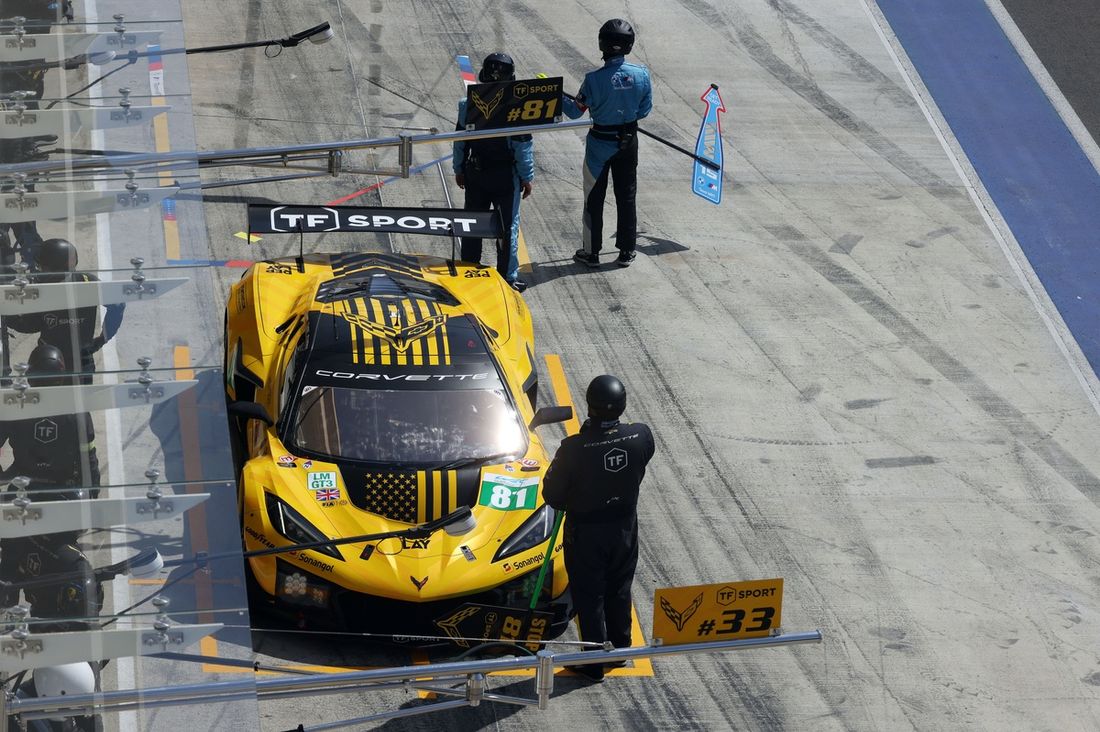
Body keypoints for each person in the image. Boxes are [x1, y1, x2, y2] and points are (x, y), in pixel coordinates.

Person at [543, 374, 655, 681]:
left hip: (587, 533)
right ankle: (620, 648)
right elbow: (641, 459)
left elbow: (551, 494)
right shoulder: (640, 436)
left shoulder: (574, 448)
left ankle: (593, 662)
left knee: (589, 595)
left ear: (589, 406)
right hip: (624, 528)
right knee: (619, 587)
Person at [563, 19, 652, 269]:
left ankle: (591, 253)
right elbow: (644, 110)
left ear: (602, 44)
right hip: (628, 141)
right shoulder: (642, 75)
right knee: (627, 196)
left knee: (593, 197)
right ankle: (626, 250)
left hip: (600, 144)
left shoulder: (593, 80)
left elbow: (574, 111)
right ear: (629, 45)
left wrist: (557, 95)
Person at [453, 53, 535, 292]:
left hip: (475, 174)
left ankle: (468, 270)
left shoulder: (466, 104)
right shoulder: (517, 107)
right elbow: (523, 147)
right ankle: (507, 279)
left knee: (471, 223)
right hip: (504, 178)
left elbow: (460, 141)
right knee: (508, 227)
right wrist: (527, 177)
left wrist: (459, 169)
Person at [6, 238, 125, 383]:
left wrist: (8, 317)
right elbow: (117, 304)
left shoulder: (43, 290)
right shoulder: (88, 282)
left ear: (51, 267)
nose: (39, 270)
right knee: (82, 403)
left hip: (48, 362)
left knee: (48, 403)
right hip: (83, 360)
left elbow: (30, 325)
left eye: (42, 266)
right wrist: (101, 339)